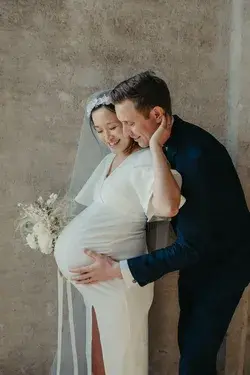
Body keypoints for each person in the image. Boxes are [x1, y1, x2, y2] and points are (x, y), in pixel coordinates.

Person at [74, 72, 250, 375]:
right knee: (191, 348)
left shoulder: (195, 156)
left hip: (223, 267)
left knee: (195, 359)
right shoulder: (169, 140)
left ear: (157, 114)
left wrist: (118, 270)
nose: (126, 132)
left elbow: (192, 246)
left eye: (128, 123)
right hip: (199, 263)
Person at [53, 90, 185, 375]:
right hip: (97, 281)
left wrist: (154, 148)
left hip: (118, 279)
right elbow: (97, 213)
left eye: (113, 127)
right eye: (99, 130)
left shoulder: (146, 163)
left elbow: (166, 206)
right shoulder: (107, 163)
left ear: (127, 122)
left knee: (122, 357)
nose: (107, 137)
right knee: (100, 353)